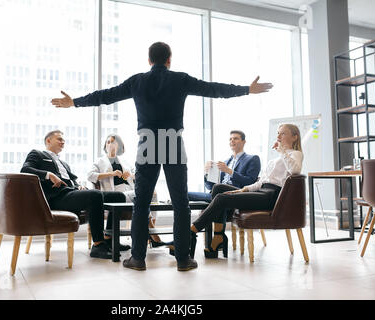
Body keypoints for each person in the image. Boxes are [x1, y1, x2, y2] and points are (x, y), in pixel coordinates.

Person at [51, 41, 273, 271]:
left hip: (147, 142)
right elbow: (214, 89)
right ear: (169, 60)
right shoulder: (180, 79)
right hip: (173, 142)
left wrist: (74, 102)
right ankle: (184, 260)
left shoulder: (137, 81)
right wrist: (247, 89)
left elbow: (106, 96)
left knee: (142, 203)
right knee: (180, 203)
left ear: (149, 61)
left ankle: (137, 258)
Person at [190, 124, 303, 258]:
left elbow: (295, 171)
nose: (278, 136)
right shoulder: (275, 160)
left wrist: (283, 151)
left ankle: (192, 231)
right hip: (262, 191)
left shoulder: (296, 154)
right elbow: (260, 183)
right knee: (219, 188)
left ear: (294, 137)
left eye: (282, 134)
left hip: (272, 196)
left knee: (221, 198)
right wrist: (242, 190)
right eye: (278, 133)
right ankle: (218, 236)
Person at [20, 130, 127, 259]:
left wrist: (79, 186)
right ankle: (98, 245)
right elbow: (25, 169)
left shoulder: (64, 164)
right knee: (95, 195)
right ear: (48, 141)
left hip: (71, 193)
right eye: (59, 139)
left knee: (118, 197)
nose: (63, 142)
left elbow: (72, 181)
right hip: (56, 197)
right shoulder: (37, 154)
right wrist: (49, 175)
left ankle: (109, 238)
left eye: (63, 140)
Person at [87, 133, 168, 247]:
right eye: (108, 142)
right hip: (115, 194)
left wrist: (130, 174)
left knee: (153, 193)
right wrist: (111, 173)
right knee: (142, 196)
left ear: (119, 145)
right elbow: (90, 175)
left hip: (130, 191)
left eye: (113, 142)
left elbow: (138, 175)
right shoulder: (100, 161)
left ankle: (150, 233)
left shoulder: (124, 161)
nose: (110, 144)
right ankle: (153, 236)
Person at [188, 130, 260, 202]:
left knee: (219, 187)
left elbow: (250, 182)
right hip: (218, 193)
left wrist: (229, 171)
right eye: (230, 139)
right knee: (185, 194)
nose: (232, 141)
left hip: (237, 193)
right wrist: (207, 173)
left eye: (235, 138)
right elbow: (211, 187)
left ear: (244, 142)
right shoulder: (226, 161)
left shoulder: (253, 159)